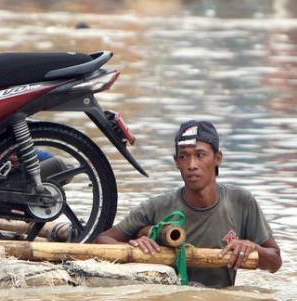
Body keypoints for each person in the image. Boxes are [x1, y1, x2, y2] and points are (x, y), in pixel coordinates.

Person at [94, 121, 282, 288]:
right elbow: (101, 241)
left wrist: (252, 248)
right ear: (176, 162)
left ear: (218, 158)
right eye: (184, 156)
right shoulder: (157, 206)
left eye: (200, 155)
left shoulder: (241, 201)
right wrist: (132, 245)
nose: (192, 165)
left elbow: (275, 262)